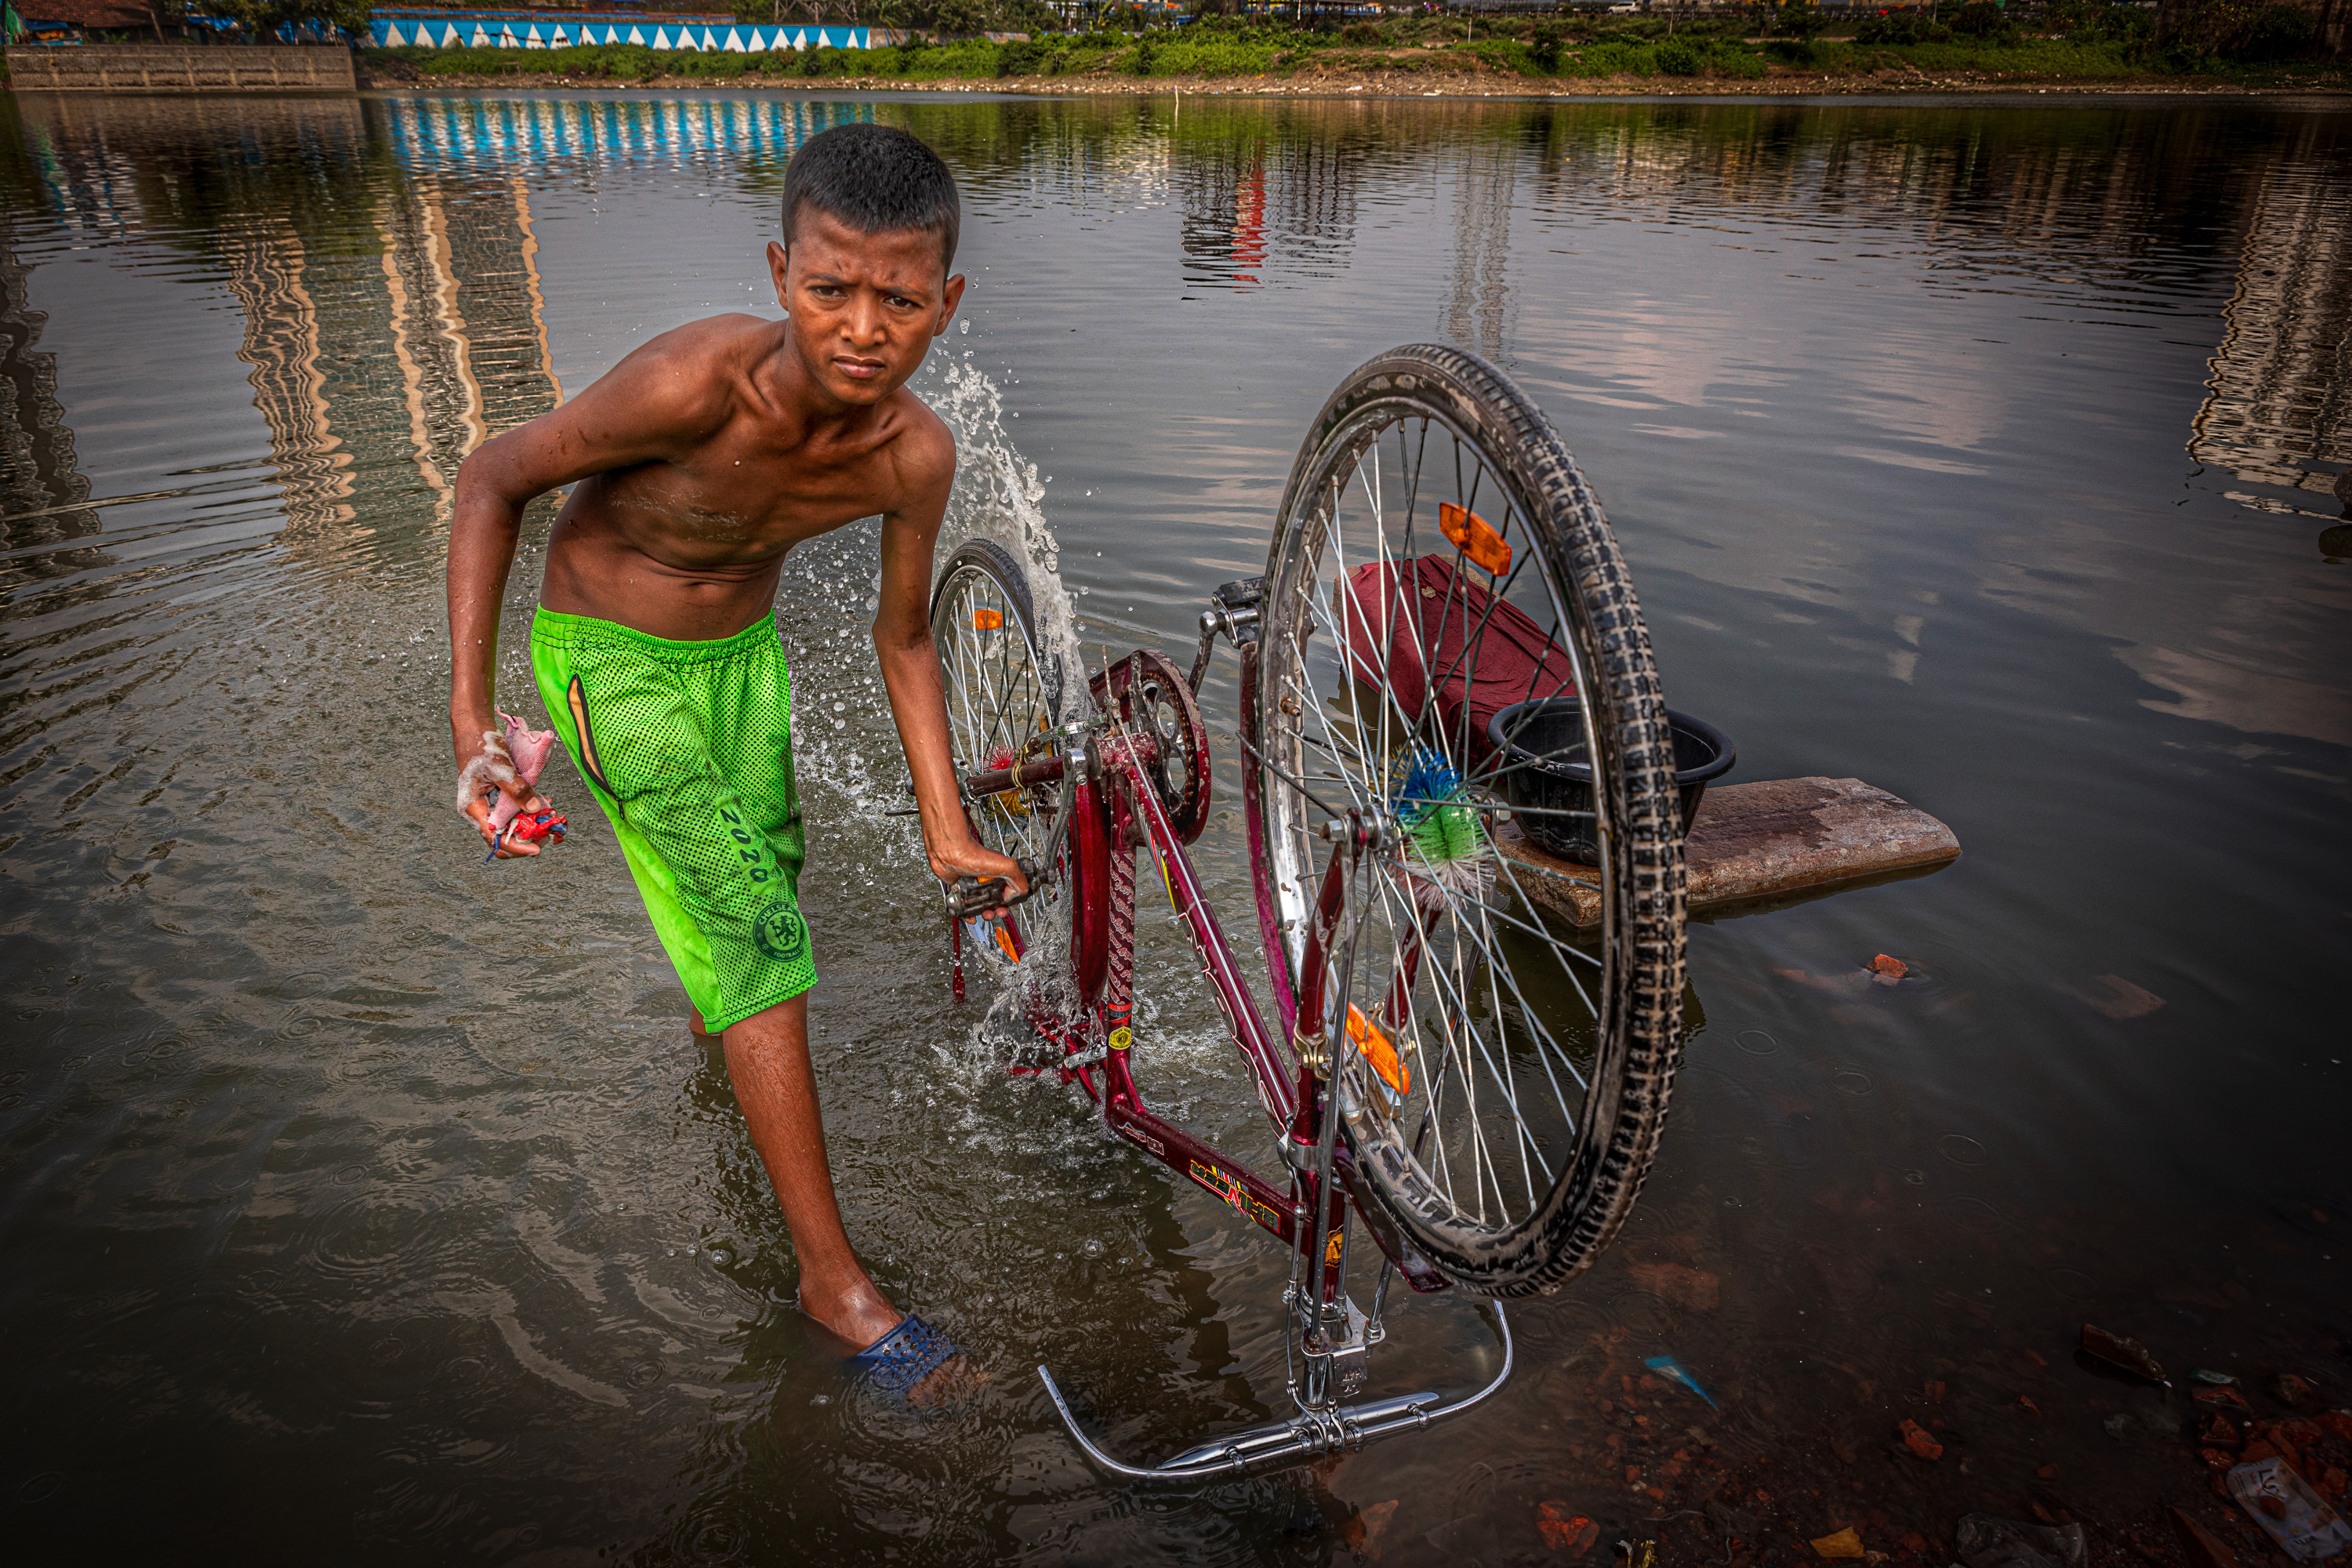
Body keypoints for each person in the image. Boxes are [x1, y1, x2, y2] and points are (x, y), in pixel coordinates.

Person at [444, 123, 1019, 1401]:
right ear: (780, 271)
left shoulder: (914, 456)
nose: (862, 328)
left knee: (764, 892)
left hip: (739, 666)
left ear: (947, 303)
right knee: (758, 924)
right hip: (609, 661)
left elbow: (907, 635)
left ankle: (734, 1044)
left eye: (900, 300)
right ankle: (837, 1289)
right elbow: (494, 479)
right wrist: (470, 717)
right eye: (831, 290)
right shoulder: (689, 385)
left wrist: (945, 825)